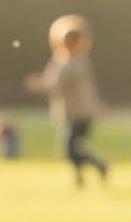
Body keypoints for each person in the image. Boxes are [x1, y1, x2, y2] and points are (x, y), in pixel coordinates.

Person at [24, 14, 110, 186]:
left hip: (80, 113)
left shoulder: (74, 63)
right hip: (70, 112)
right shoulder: (62, 60)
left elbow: (55, 84)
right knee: (74, 148)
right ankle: (81, 176)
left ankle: (99, 165)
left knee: (70, 148)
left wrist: (38, 84)